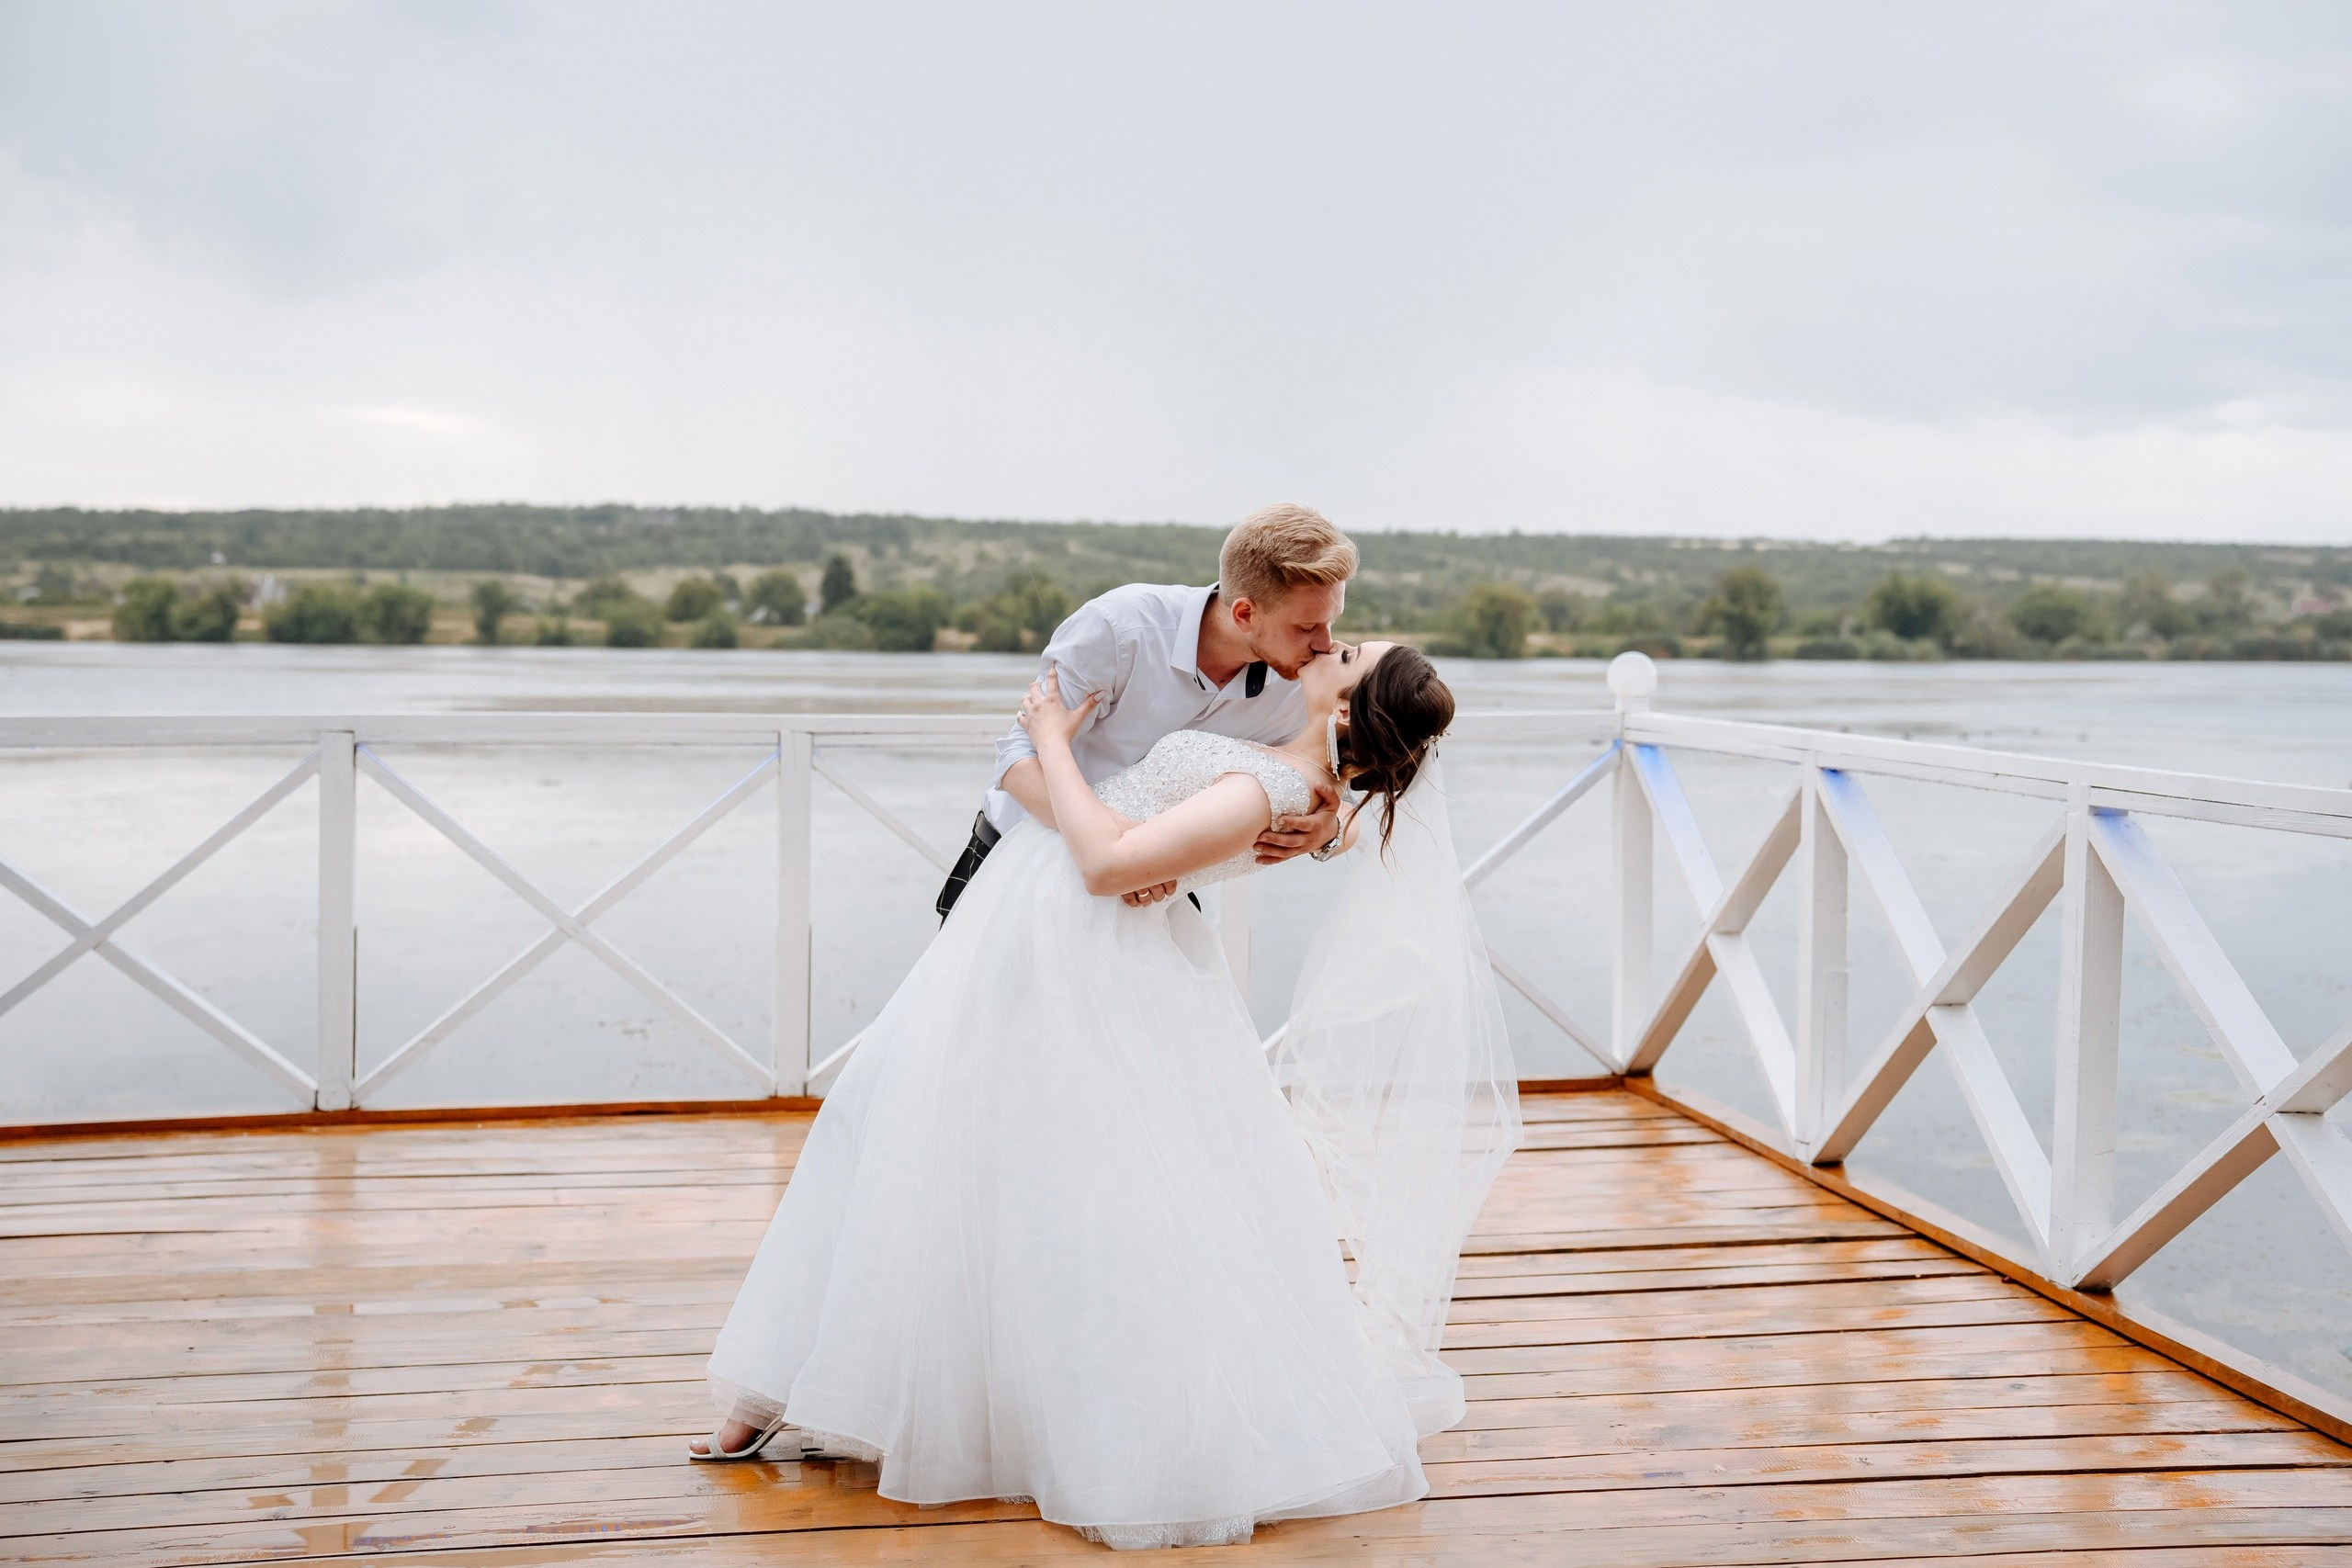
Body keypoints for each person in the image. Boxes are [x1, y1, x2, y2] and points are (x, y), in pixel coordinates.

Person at [694, 635, 1520, 1551]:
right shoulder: (1300, 781)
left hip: (1076, 946)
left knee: (980, 1157)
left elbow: (1102, 868)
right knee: (933, 1139)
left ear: (1346, 705)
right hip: (1045, 929)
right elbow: (1157, 837)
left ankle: (1033, 1419)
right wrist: (1289, 831)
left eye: (1350, 652)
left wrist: (1050, 741)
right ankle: (833, 1386)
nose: (1330, 644)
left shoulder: (1273, 789)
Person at [934, 502, 1355, 919]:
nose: (1325, 643)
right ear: (1244, 613)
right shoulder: (1118, 628)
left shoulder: (1304, 683)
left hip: (1149, 899)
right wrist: (1126, 845)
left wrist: (1330, 832)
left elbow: (1353, 798)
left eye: (1331, 621)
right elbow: (1017, 759)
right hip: (1015, 867)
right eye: (1307, 627)